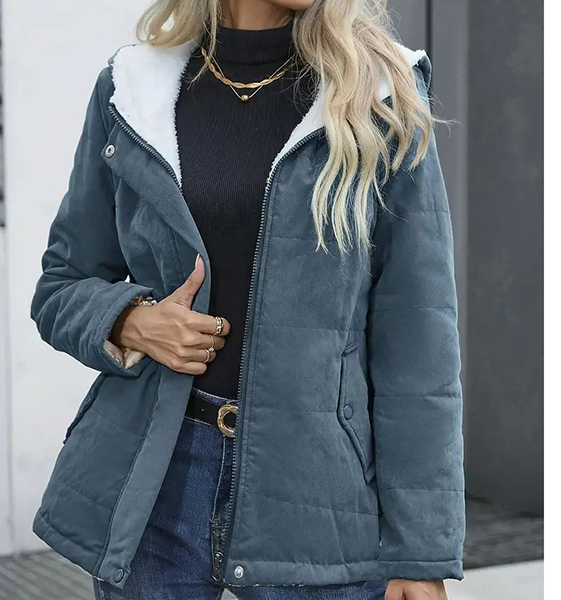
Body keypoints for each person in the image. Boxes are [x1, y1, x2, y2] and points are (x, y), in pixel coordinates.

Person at [30, 1, 465, 599]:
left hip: (318, 496)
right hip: (157, 483)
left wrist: (420, 553)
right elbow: (62, 283)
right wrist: (132, 321)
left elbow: (419, 343)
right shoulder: (130, 90)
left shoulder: (381, 93)